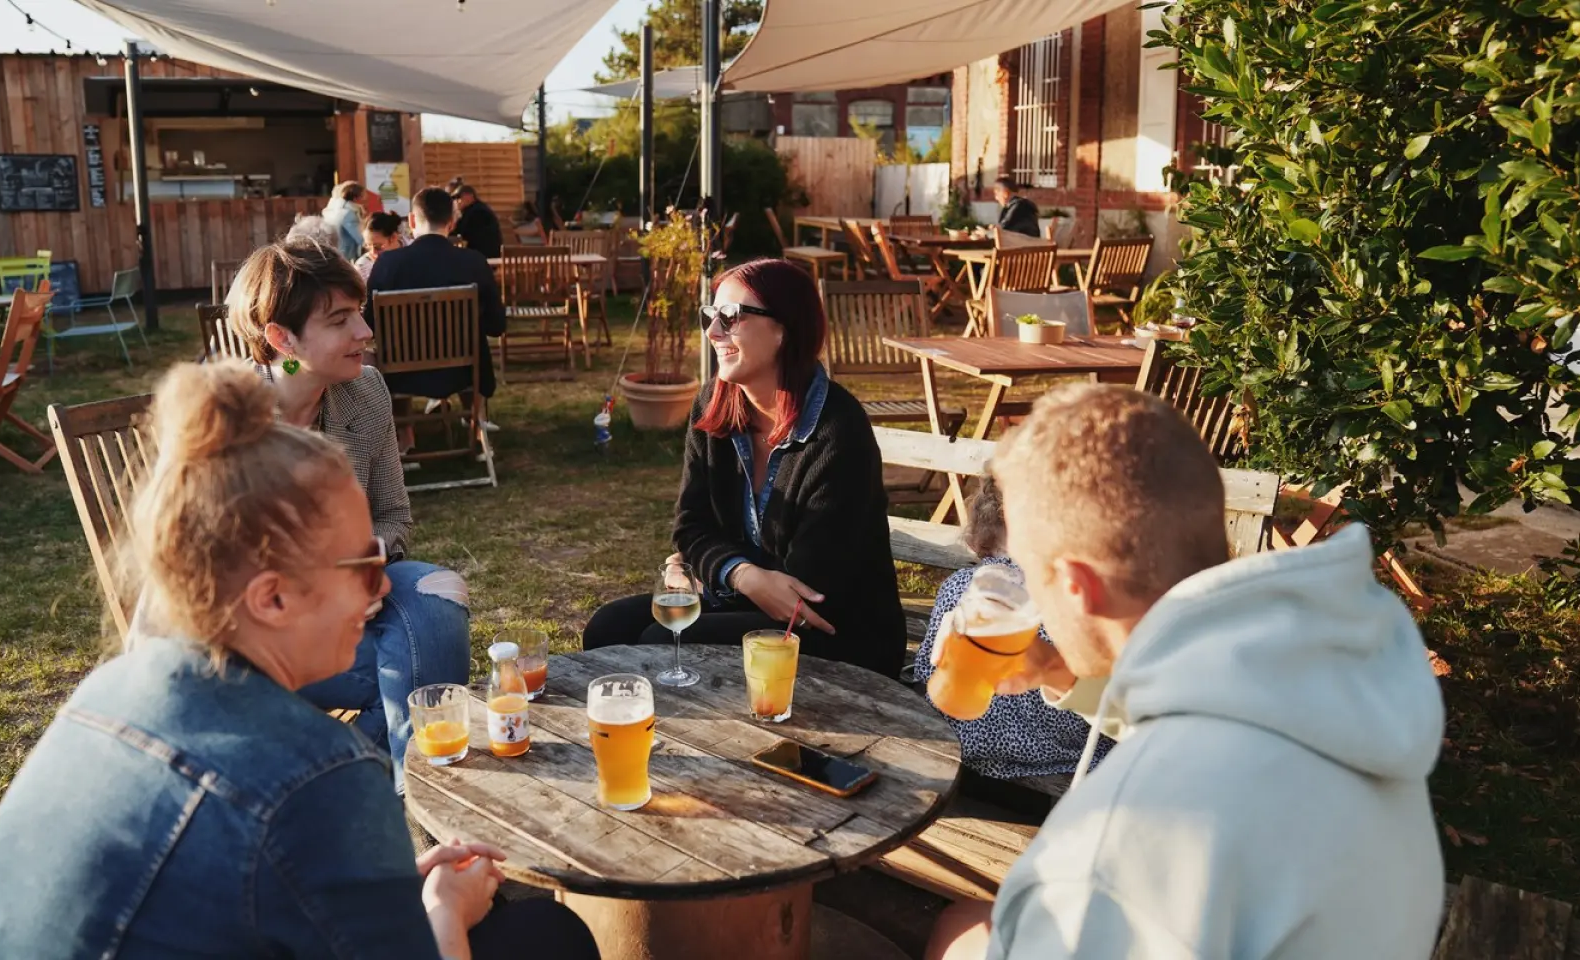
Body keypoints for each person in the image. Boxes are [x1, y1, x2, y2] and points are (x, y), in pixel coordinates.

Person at [0, 363, 600, 960]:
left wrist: (367, 884)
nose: (383, 589)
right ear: (271, 597)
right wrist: (443, 912)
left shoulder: (102, 692)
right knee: (553, 933)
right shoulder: (324, 774)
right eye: (365, 567)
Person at [924, 383, 1445, 960]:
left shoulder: (1124, 840)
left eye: (1026, 574)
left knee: (957, 935)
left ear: (1075, 588)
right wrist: (1059, 672)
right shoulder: (1327, 671)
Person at [582, 259, 907, 677]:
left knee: (660, 644)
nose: (714, 332)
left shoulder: (836, 431)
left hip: (838, 633)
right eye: (710, 316)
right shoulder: (714, 405)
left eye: (731, 317)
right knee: (607, 629)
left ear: (784, 328)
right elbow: (691, 526)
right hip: (746, 600)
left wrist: (707, 574)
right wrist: (740, 574)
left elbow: (805, 589)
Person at [229, 238, 473, 791]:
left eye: (359, 313)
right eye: (341, 320)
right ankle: (410, 808)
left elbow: (393, 514)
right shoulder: (229, 421)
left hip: (355, 605)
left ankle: (388, 796)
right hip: (259, 636)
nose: (365, 333)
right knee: (420, 673)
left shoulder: (365, 391)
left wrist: (370, 556)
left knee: (437, 598)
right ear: (281, 338)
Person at [914, 475, 1110, 783]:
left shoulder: (957, 589)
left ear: (980, 534)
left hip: (968, 755)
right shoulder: (1079, 605)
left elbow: (926, 671)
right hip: (1066, 763)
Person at [367, 187, 506, 429]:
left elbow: (369, 326)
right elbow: (496, 326)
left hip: (401, 373)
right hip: (463, 369)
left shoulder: (387, 264)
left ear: (411, 220)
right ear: (451, 223)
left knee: (389, 348)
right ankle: (474, 424)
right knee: (475, 342)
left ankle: (404, 436)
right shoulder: (474, 262)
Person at [449, 183, 505, 260]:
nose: (457, 201)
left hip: (483, 257)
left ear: (469, 196)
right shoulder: (477, 209)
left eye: (459, 197)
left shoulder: (476, 212)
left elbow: (460, 231)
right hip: (486, 255)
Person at [354, 210, 405, 282]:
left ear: (393, 237)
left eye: (378, 247)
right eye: (367, 246)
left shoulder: (414, 250)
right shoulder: (362, 266)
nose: (373, 252)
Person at [323, 180, 366, 260]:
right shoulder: (348, 214)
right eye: (362, 196)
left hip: (332, 253)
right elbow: (361, 238)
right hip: (346, 256)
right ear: (355, 198)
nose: (364, 200)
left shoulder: (332, 209)